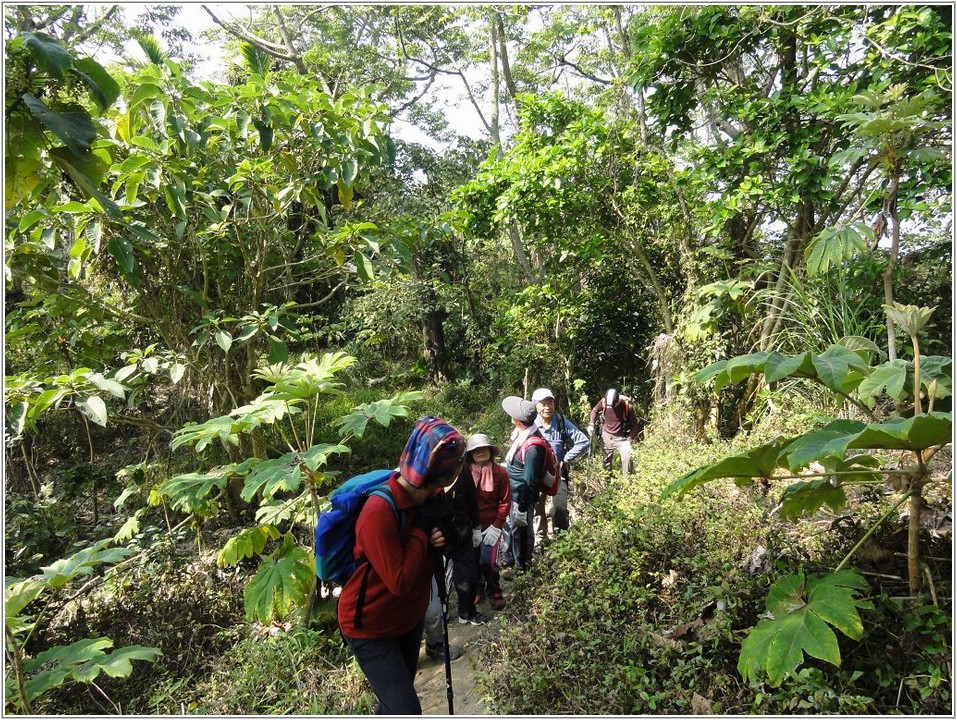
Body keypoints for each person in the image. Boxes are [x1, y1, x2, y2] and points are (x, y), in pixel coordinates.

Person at [338, 416, 465, 715]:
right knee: (406, 710)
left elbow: (449, 544)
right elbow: (399, 580)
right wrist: (423, 529)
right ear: (444, 470)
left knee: (395, 705)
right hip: (369, 627)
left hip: (408, 620)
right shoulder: (379, 511)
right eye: (458, 462)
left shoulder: (432, 495)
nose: (461, 467)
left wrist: (445, 537)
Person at [530, 388, 589, 539]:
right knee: (538, 508)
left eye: (550, 402)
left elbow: (583, 441)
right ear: (535, 406)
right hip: (536, 475)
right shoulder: (531, 425)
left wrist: (566, 459)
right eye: (542, 404)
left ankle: (562, 540)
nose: (547, 407)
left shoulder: (561, 422)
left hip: (557, 474)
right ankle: (541, 541)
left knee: (560, 508)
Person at [464, 432, 511, 611]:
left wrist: (497, 526)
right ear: (470, 454)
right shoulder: (465, 473)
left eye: (484, 448)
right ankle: (479, 589)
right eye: (476, 450)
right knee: (473, 561)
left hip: (492, 524)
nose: (481, 452)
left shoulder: (500, 473)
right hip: (470, 525)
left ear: (490, 451)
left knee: (487, 562)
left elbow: (506, 501)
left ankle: (494, 591)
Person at [501, 396, 546, 572]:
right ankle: (513, 558)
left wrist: (522, 508)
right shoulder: (522, 436)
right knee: (514, 529)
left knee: (522, 532)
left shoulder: (533, 447)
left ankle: (523, 567)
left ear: (518, 421)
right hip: (514, 494)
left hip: (522, 498)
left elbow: (530, 480)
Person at [444, 451, 487, 625]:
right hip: (435, 535)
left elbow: (471, 498)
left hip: (461, 530)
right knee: (439, 579)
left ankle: (467, 612)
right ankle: (441, 618)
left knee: (467, 575)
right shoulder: (423, 472)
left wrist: (476, 526)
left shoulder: (461, 468)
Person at [588, 388, 641, 475]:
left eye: (613, 405)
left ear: (617, 401)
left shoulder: (627, 407)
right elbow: (594, 411)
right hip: (606, 436)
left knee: (627, 459)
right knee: (606, 462)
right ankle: (608, 482)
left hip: (622, 438)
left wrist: (628, 441)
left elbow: (634, 426)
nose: (611, 407)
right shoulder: (604, 402)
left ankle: (626, 482)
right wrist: (591, 424)